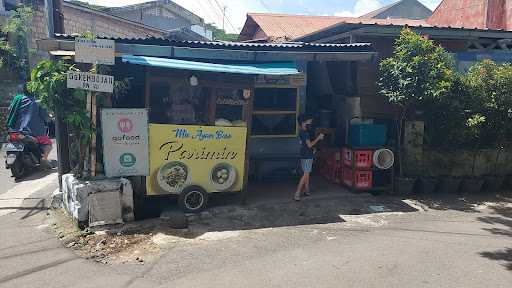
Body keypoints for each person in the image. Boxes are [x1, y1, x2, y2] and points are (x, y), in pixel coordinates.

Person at [6, 86, 52, 162]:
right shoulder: (38, 102)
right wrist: (48, 119)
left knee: (10, 140)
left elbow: (10, 110)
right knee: (48, 143)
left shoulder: (17, 100)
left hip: (14, 130)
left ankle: (9, 160)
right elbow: (45, 116)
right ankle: (44, 158)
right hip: (32, 132)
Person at [294, 114, 324, 201]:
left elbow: (306, 145)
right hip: (307, 155)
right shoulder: (305, 133)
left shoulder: (301, 131)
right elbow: (309, 145)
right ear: (304, 122)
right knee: (306, 174)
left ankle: (307, 190)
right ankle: (297, 193)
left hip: (304, 154)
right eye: (309, 120)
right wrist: (318, 138)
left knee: (307, 173)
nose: (310, 121)